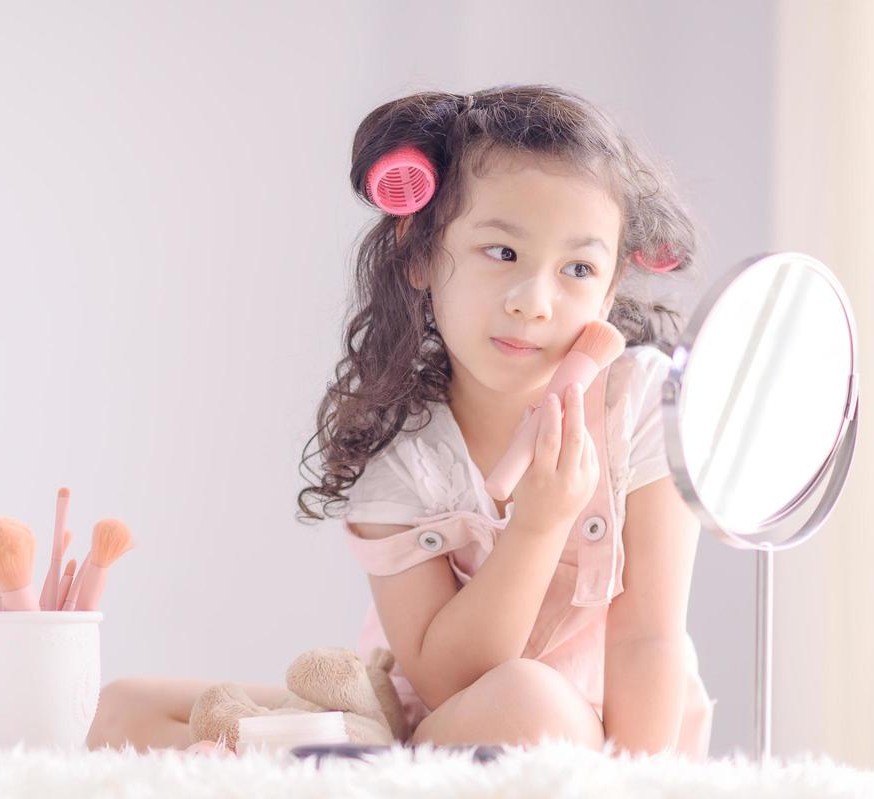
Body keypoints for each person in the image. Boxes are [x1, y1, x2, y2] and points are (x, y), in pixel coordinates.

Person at [295, 85, 716, 759]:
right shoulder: (403, 465)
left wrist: (640, 794)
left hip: (623, 743)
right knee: (127, 707)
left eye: (577, 269)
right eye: (502, 253)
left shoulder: (641, 405)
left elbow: (650, 636)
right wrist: (538, 523)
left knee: (535, 703)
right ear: (421, 255)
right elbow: (449, 681)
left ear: (609, 293)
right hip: (456, 728)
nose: (533, 302)